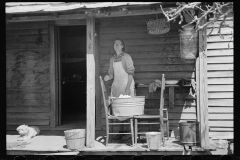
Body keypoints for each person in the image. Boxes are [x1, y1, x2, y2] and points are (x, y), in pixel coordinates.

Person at [104, 38, 135, 141]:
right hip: (117, 86)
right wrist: (108, 77)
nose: (116, 45)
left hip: (126, 85)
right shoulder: (112, 59)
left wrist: (127, 88)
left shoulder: (127, 57)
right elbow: (111, 74)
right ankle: (121, 132)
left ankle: (129, 133)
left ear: (122, 46)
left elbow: (130, 73)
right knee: (118, 110)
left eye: (118, 44)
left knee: (127, 110)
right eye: (115, 44)